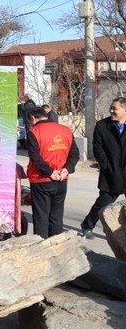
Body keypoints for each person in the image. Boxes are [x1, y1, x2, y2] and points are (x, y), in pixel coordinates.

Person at [26, 107, 79, 238]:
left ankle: (41, 247)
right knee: (56, 215)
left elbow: (35, 157)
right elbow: (75, 154)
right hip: (61, 178)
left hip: (41, 180)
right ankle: (57, 245)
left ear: (33, 118)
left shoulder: (33, 132)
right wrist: (67, 169)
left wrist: (49, 172)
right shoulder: (65, 130)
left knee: (41, 216)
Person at [80, 97, 126, 239]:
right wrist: (105, 165)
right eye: (111, 108)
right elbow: (97, 148)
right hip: (111, 172)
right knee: (103, 204)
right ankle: (87, 225)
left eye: (115, 108)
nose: (111, 111)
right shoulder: (102, 125)